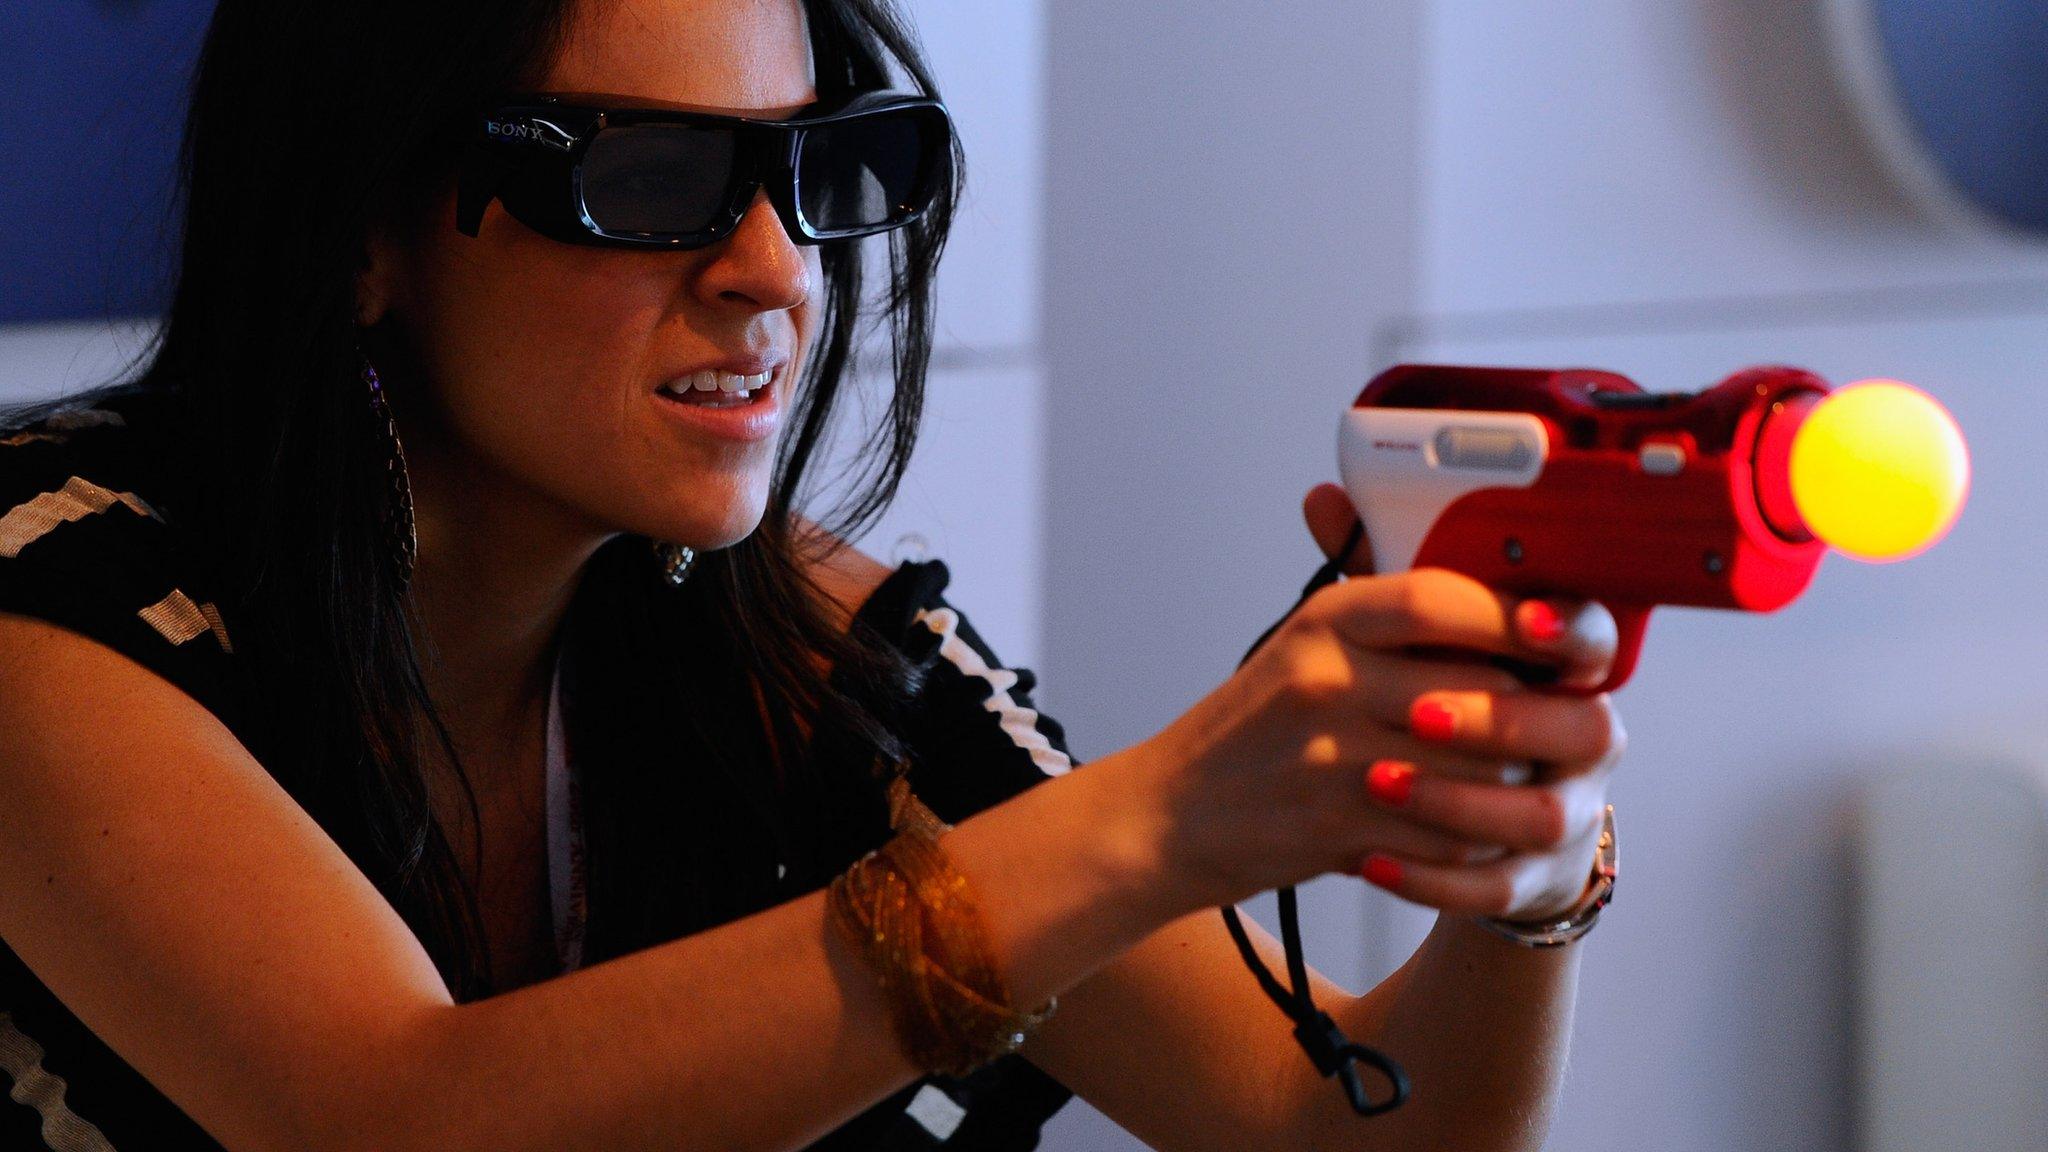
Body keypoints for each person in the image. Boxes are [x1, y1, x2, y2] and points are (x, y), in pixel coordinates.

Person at [0, 1, 1625, 1149]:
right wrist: (1164, 817)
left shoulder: (807, 650)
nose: (774, 267)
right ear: (365, 229)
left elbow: (1327, 1131)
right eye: (644, 180)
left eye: (819, 170)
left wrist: (1531, 873)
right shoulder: (54, 602)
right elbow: (397, 1117)